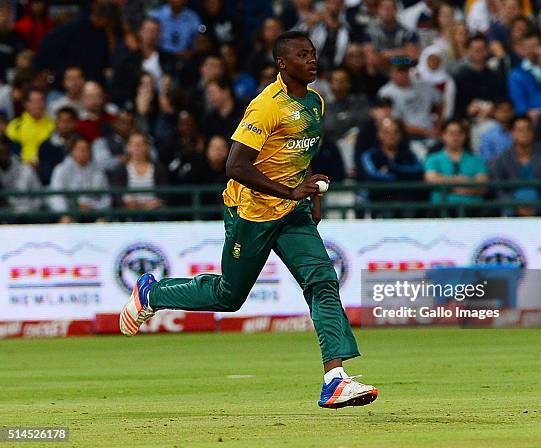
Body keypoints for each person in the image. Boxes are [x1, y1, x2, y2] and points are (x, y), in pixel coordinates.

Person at [119, 31, 378, 409]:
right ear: (282, 64)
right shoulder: (265, 106)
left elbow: (294, 153)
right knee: (229, 296)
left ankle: (334, 380)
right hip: (251, 213)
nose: (312, 60)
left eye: (313, 53)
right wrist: (290, 191)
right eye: (302, 55)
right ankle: (151, 294)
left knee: (323, 280)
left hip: (291, 211)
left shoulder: (316, 102)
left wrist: (309, 190)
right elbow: (234, 164)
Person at [489, 115, 541, 216]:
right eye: (520, 130)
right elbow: (499, 188)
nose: (524, 133)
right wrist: (515, 206)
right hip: (513, 207)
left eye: (528, 129)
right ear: (512, 133)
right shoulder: (502, 158)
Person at [424, 118, 489, 208]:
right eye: (451, 133)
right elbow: (432, 180)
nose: (455, 137)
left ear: (465, 136)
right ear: (443, 135)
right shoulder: (432, 159)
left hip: (473, 211)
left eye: (459, 133)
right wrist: (465, 181)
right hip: (440, 211)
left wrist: (447, 186)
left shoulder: (477, 160)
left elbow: (482, 186)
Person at [48, 137, 111, 223]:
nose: (83, 153)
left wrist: (92, 207)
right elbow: (56, 197)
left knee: (103, 222)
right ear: (72, 151)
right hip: (69, 211)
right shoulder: (61, 169)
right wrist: (66, 212)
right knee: (65, 221)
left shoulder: (97, 170)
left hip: (93, 211)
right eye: (80, 150)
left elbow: (106, 197)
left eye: (86, 150)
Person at [109, 132, 167, 212]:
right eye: (134, 144)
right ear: (128, 147)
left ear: (147, 147)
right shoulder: (120, 169)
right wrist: (131, 203)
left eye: (141, 144)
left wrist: (155, 202)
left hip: (154, 209)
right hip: (130, 210)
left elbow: (164, 192)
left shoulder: (158, 168)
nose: (137, 148)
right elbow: (118, 194)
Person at [453, 35, 507, 118]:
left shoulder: (494, 76)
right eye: (474, 49)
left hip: (491, 117)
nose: (478, 52)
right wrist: (467, 110)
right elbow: (455, 105)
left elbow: (501, 97)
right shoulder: (459, 77)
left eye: (481, 49)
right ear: (468, 51)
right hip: (467, 121)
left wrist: (493, 105)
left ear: (487, 51)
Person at [5, 88, 55, 165]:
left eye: (41, 101)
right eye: (34, 102)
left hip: (46, 167)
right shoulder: (15, 125)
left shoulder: (53, 125)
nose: (38, 105)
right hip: (21, 167)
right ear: (25, 104)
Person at [0, 135, 42, 216]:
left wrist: (28, 212)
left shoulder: (26, 170)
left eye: (2, 151)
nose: (1, 155)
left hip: (28, 215)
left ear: (9, 150)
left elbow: (38, 197)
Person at [38, 106, 79, 185]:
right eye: (62, 121)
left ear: (76, 123)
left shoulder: (83, 142)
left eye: (69, 121)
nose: (65, 125)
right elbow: (46, 174)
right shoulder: (46, 146)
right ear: (56, 122)